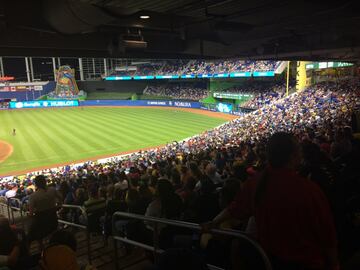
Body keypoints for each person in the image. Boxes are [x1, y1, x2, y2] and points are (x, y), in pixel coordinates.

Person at [254, 132, 339, 270]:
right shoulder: (307, 189)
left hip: (272, 261)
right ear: (293, 156)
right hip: (307, 262)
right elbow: (327, 234)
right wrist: (334, 264)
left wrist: (213, 223)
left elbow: (236, 208)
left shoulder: (256, 183)